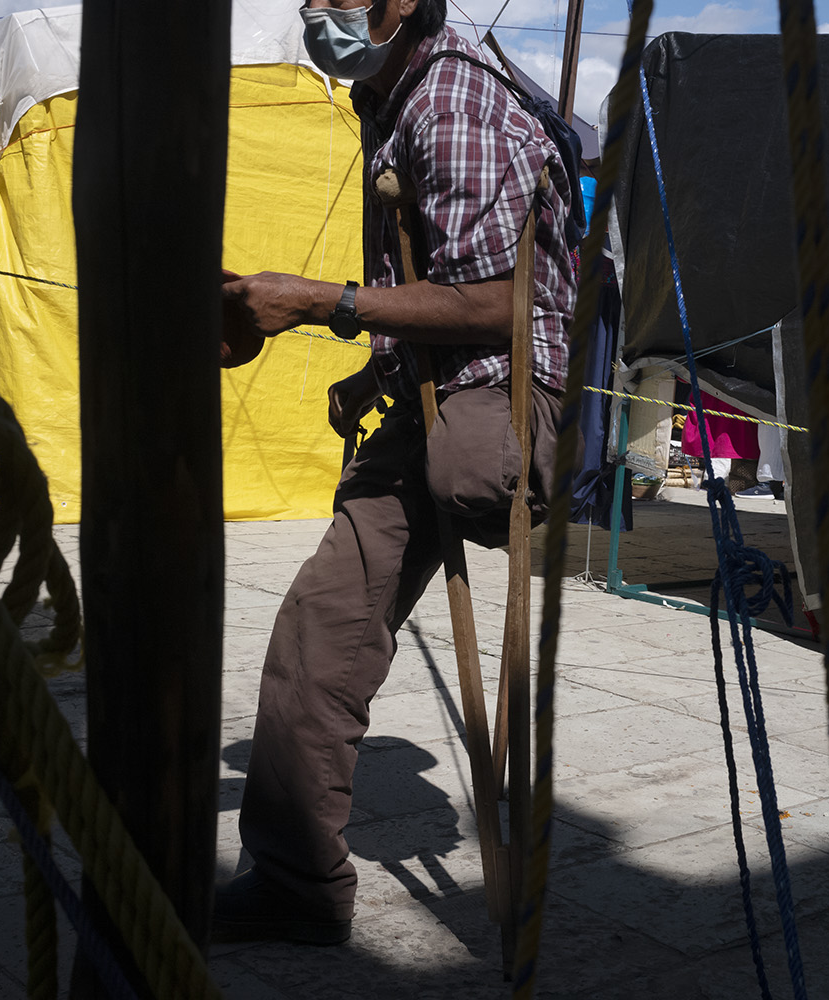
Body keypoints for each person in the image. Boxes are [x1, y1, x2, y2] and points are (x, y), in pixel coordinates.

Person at [212, 0, 576, 945]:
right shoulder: (392, 96)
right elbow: (434, 284)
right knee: (321, 623)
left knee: (430, 514)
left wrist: (321, 302)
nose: (314, 9)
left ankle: (296, 878)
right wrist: (374, 371)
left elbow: (502, 301)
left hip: (502, 401)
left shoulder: (449, 103)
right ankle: (295, 881)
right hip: (427, 398)